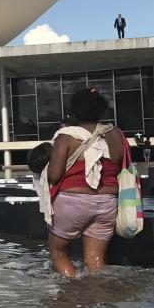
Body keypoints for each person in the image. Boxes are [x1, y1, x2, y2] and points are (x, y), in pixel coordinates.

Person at [42, 88, 127, 277]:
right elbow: (121, 167)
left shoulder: (66, 136)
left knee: (59, 253)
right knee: (96, 259)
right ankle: (97, 295)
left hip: (72, 200)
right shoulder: (116, 135)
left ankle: (74, 293)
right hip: (107, 201)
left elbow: (54, 175)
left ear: (74, 111)